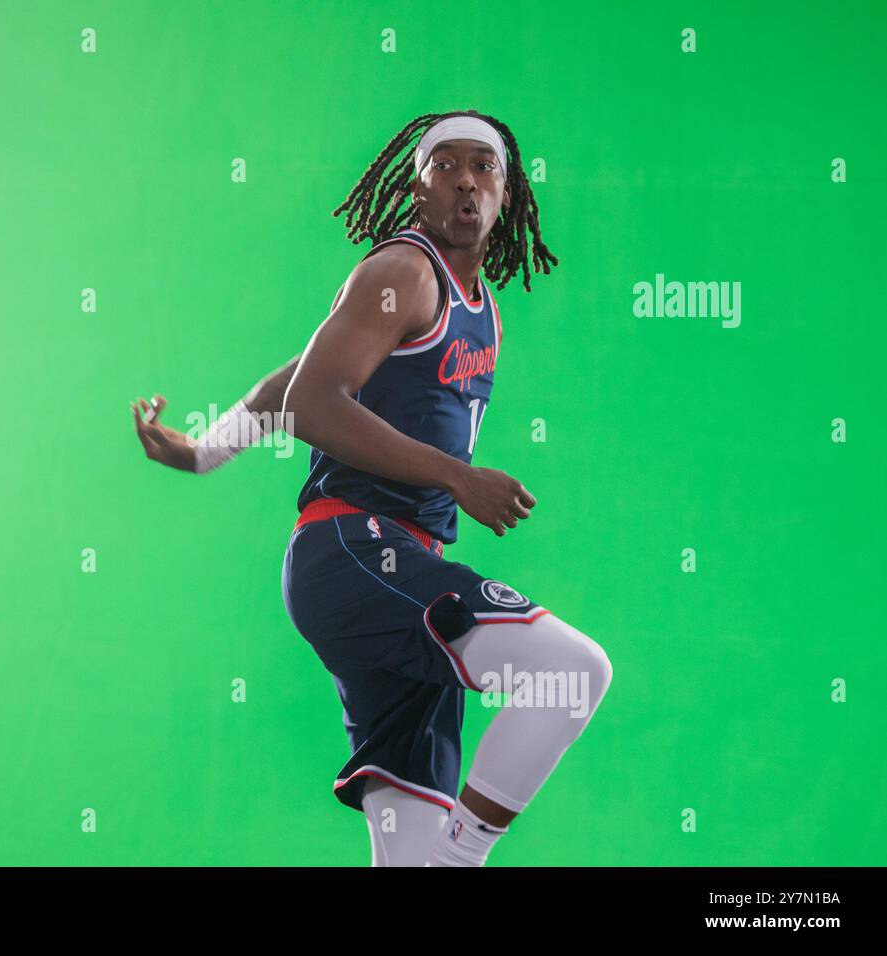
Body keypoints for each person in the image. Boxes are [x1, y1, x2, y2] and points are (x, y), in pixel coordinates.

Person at [131, 110, 612, 867]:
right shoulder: (403, 272)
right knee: (571, 672)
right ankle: (466, 854)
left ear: (508, 193)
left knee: (410, 852)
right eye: (443, 164)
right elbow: (315, 401)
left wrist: (203, 453)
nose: (464, 178)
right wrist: (459, 477)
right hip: (355, 550)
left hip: (397, 577)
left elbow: (291, 379)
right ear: (416, 191)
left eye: (483, 165)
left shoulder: (480, 309)